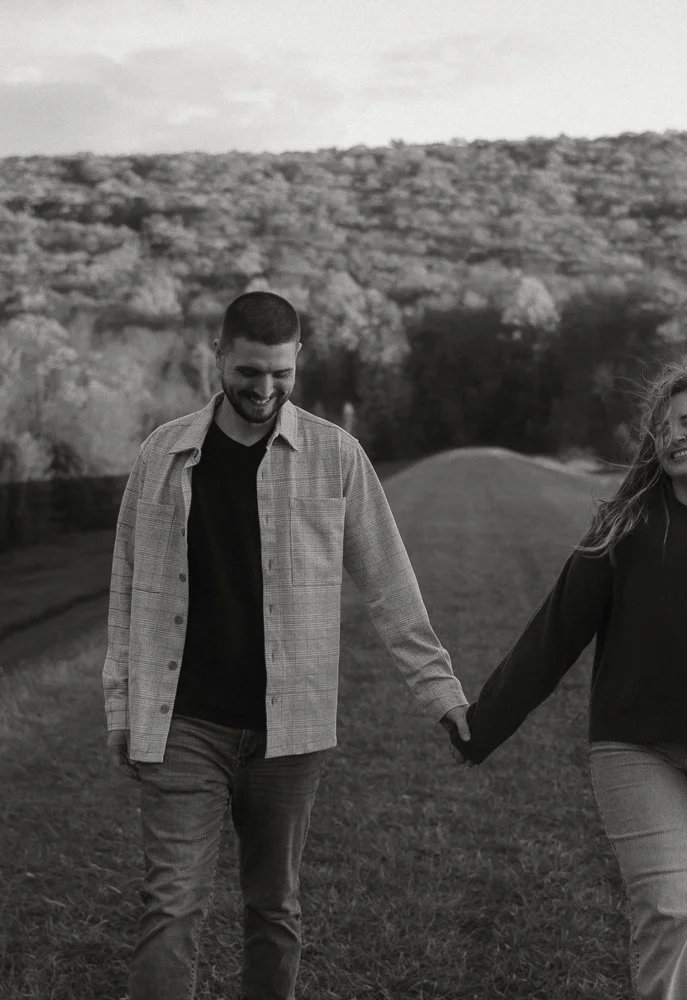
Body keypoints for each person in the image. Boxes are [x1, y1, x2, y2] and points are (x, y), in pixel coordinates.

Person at [103, 289, 472, 1000]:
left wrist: (442, 695)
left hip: (291, 731)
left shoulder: (335, 457)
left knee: (274, 908)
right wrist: (122, 707)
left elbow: (390, 585)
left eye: (280, 372)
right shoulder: (164, 454)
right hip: (184, 723)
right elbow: (125, 585)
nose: (264, 389)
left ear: (299, 358)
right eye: (249, 372)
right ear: (218, 356)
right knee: (172, 907)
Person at [448, 364, 687, 1000]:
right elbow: (554, 632)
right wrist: (482, 724)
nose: (672, 435)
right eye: (661, 428)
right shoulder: (628, 526)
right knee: (674, 909)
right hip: (635, 747)